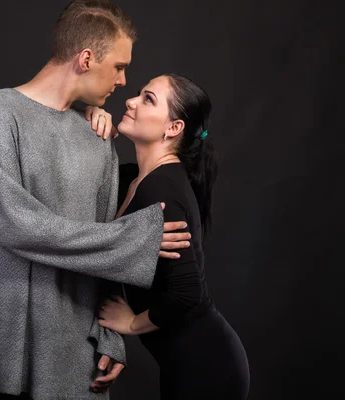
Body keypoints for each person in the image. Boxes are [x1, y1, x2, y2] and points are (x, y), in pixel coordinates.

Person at [0, 1, 192, 399]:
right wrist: (135, 241)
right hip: (0, 336)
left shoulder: (98, 136)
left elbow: (103, 243)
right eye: (119, 66)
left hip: (75, 345)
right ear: (86, 58)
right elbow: (16, 225)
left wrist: (111, 338)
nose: (123, 80)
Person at [87, 73, 250, 399]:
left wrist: (132, 324)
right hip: (188, 364)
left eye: (148, 99)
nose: (131, 101)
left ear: (173, 128)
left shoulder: (162, 189)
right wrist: (90, 116)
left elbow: (188, 293)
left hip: (207, 367)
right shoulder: (136, 178)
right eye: (138, 94)